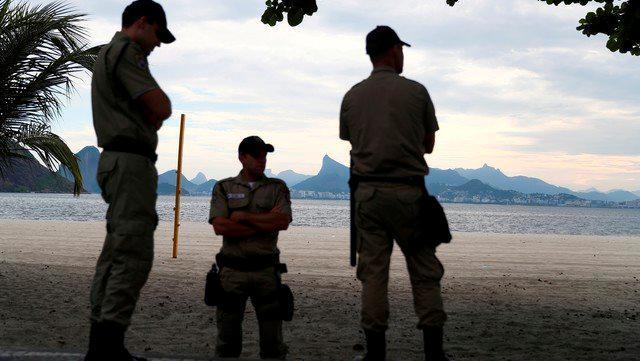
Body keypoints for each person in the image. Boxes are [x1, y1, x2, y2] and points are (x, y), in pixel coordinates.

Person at [339, 26, 448, 361]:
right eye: (401, 49)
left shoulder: (352, 96)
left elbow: (352, 141)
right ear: (392, 51)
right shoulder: (416, 92)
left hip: (368, 196)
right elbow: (428, 145)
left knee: (373, 275)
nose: (403, 55)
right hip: (409, 194)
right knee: (425, 273)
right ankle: (433, 354)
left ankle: (375, 355)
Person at [85, 0, 174, 359]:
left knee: (115, 253)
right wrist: (156, 112)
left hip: (116, 162)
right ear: (142, 23)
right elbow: (161, 107)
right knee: (133, 254)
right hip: (130, 164)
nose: (157, 44)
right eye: (157, 35)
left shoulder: (110, 54)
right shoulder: (127, 51)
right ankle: (108, 347)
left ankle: (102, 346)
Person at [209, 136, 292, 359]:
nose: (262, 160)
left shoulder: (277, 188)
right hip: (232, 273)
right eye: (256, 155)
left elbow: (282, 222)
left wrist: (243, 217)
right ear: (242, 157)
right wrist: (264, 223)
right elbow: (220, 227)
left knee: (273, 344)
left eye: (264, 155)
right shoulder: (224, 187)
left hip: (266, 272)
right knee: (227, 343)